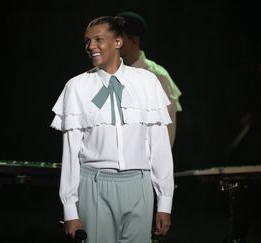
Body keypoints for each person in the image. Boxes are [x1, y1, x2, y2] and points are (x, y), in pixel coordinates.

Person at [50, 16, 174, 243]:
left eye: (99, 39)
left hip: (139, 185)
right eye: (87, 41)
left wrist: (165, 201)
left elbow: (160, 147)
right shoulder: (77, 87)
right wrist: (70, 209)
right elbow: (70, 152)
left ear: (118, 42)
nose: (91, 46)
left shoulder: (147, 82)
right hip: (95, 185)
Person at [116, 11, 182, 147]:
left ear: (134, 40)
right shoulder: (109, 72)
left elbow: (166, 130)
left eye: (118, 37)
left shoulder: (157, 76)